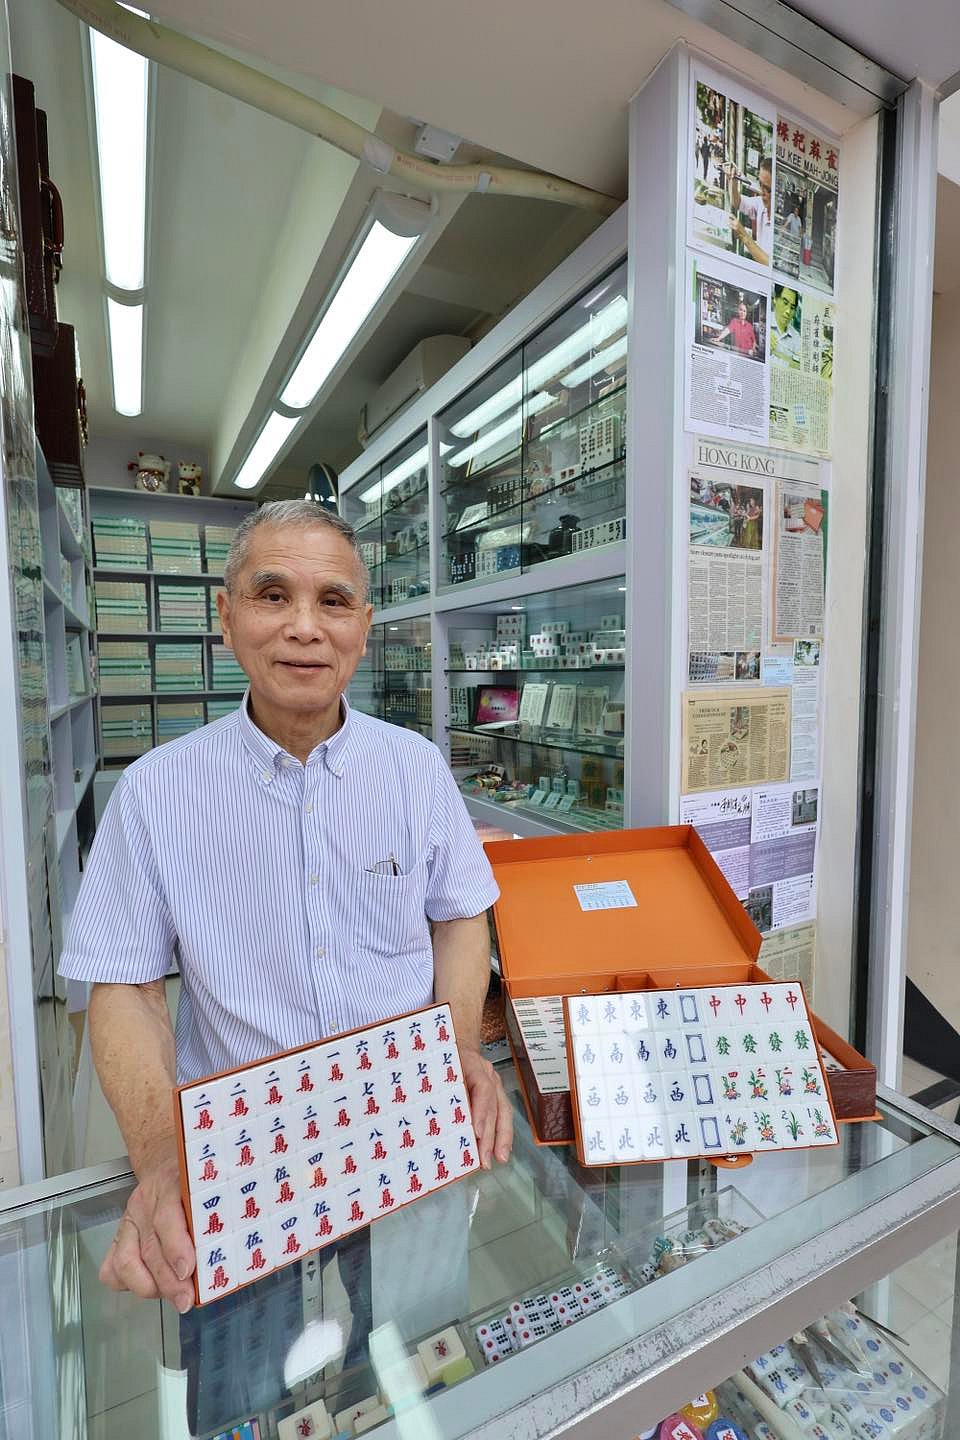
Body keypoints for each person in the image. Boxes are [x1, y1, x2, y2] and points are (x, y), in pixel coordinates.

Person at [59, 500, 513, 1318]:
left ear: (364, 627)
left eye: (333, 601)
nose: (306, 627)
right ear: (225, 619)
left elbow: (458, 915)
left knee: (418, 1357)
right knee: (245, 1391)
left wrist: (456, 1046)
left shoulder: (415, 770)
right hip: (239, 1158)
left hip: (404, 1124)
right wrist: (163, 1159)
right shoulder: (157, 794)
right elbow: (125, 990)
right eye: (274, 596)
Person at [725, 155, 773, 265]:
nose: (761, 192)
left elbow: (769, 263)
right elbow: (737, 203)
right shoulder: (761, 203)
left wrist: (744, 236)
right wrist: (733, 180)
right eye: (760, 184)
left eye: (767, 189)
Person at [770, 285, 801, 367]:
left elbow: (798, 366)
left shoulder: (796, 337)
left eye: (792, 307)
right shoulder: (764, 322)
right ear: (775, 299)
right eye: (785, 303)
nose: (788, 311)